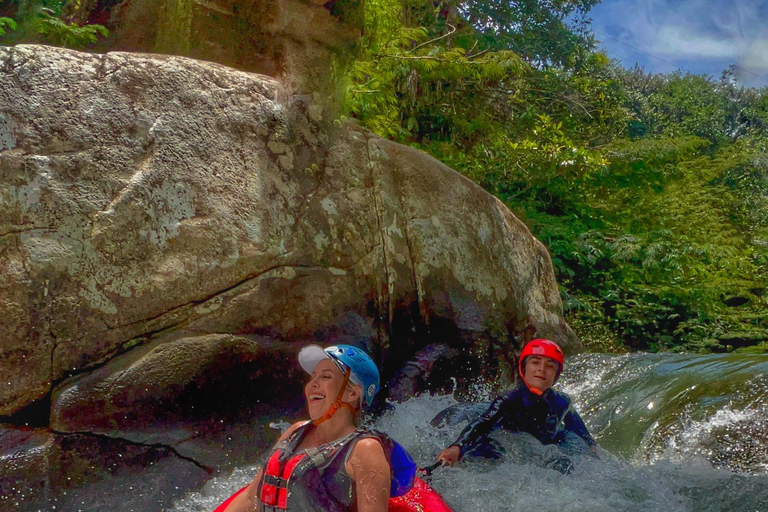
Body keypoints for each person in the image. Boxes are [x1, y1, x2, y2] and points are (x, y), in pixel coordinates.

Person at [226, 344, 401, 512]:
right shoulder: (295, 432)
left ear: (352, 393)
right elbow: (251, 498)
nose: (312, 385)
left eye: (325, 377)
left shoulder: (365, 450)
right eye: (313, 377)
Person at [435, 339, 597, 473]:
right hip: (495, 425)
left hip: (541, 439)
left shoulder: (562, 401)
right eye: (535, 362)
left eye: (550, 366)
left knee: (564, 464)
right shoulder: (509, 400)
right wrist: (457, 447)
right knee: (478, 447)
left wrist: (590, 444)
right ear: (523, 368)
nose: (541, 369)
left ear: (556, 375)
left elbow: (573, 420)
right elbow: (485, 422)